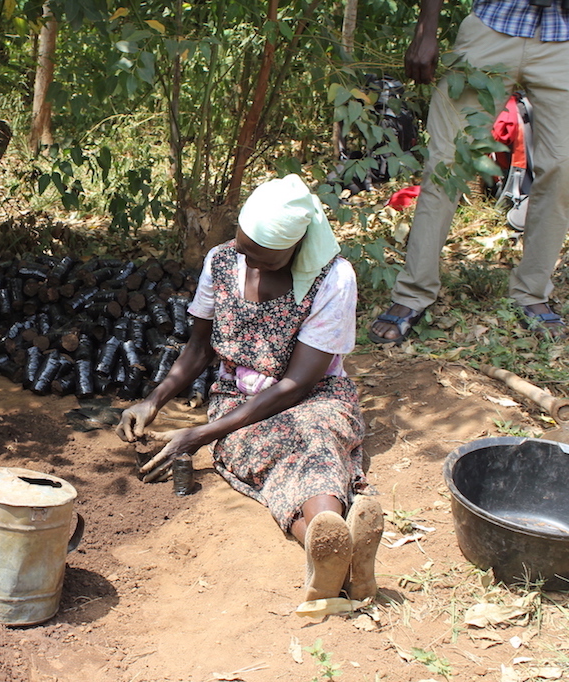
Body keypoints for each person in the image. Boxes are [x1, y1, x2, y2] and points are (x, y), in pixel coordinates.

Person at [116, 174, 384, 603]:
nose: (250, 261)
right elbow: (200, 348)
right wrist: (153, 401)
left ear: (296, 246)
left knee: (314, 439)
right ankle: (340, 556)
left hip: (315, 394)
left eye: (267, 258)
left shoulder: (334, 279)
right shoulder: (222, 261)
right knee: (267, 456)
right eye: (245, 247)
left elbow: (297, 384)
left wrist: (200, 436)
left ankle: (334, 553)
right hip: (237, 401)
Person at [369, 0, 569, 344]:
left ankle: (533, 291)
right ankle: (413, 293)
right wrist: (426, 30)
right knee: (447, 163)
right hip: (492, 28)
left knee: (563, 168)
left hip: (562, 38)